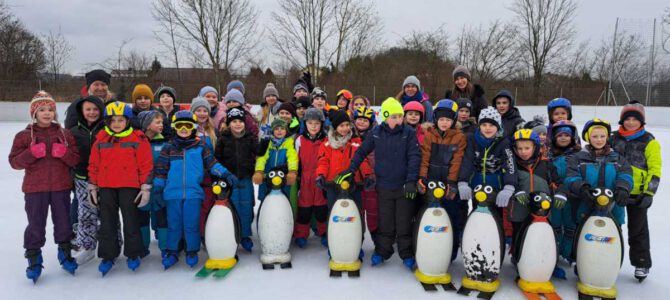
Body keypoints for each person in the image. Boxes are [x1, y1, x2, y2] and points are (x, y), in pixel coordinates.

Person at [340, 98, 421, 269]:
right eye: (394, 116)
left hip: (403, 187)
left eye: (400, 116)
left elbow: (414, 157)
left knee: (404, 222)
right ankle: (382, 251)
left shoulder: (408, 133)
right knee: (385, 223)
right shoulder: (376, 133)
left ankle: (406, 253)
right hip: (383, 186)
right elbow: (362, 152)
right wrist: (350, 170)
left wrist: (411, 181)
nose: (398, 119)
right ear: (385, 116)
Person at [9, 91, 80, 281]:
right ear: (34, 113)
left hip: (61, 187)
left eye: (50, 109)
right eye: (42, 109)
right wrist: (30, 154)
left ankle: (65, 253)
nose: (47, 113)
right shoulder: (23, 136)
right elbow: (14, 162)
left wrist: (64, 153)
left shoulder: (64, 134)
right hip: (34, 189)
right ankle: (34, 257)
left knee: (64, 222)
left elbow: (75, 159)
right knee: (35, 224)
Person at [153, 110, 235, 269]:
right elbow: (161, 170)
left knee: (191, 224)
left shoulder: (201, 146)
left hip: (193, 193)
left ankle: (191, 251)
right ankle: (172, 251)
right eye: (179, 125)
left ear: (194, 127)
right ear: (175, 127)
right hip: (172, 194)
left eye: (188, 125)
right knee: (174, 224)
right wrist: (157, 189)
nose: (184, 129)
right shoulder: (168, 147)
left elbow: (212, 165)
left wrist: (226, 174)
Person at [88, 101, 153, 275]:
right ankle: (108, 255)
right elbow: (93, 164)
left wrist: (145, 187)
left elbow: (146, 165)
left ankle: (133, 253)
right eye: (113, 120)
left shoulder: (138, 138)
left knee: (131, 220)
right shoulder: (100, 139)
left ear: (128, 121)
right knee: (107, 223)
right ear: (107, 121)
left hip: (129, 186)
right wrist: (92, 187)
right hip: (106, 186)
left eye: (120, 120)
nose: (116, 124)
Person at [564, 119, 633, 261]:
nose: (599, 140)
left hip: (612, 207)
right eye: (595, 136)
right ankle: (583, 263)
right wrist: (581, 188)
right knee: (586, 235)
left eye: (602, 136)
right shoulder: (577, 158)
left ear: (607, 137)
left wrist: (623, 188)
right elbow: (571, 177)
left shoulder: (618, 159)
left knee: (609, 237)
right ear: (588, 137)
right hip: (585, 204)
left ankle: (609, 263)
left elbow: (626, 174)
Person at [610, 101, 661, 281]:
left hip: (637, 194)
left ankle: (641, 262)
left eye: (635, 119)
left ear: (642, 121)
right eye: (627, 119)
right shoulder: (613, 138)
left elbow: (655, 170)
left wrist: (649, 193)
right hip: (614, 189)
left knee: (638, 230)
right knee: (611, 226)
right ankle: (608, 260)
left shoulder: (649, 140)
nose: (631, 122)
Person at [457, 107, 517, 242]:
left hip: (496, 187)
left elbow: (510, 164)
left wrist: (509, 186)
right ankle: (474, 236)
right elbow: (467, 161)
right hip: (477, 185)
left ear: (498, 126)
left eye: (491, 125)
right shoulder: (473, 140)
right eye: (484, 124)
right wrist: (463, 182)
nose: (487, 128)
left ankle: (496, 238)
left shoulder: (504, 142)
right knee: (477, 210)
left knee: (496, 214)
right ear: (479, 125)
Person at [418, 99, 467, 261]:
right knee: (428, 214)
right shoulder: (430, 135)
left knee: (452, 217)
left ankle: (451, 251)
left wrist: (452, 183)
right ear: (436, 119)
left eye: (448, 120)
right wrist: (423, 177)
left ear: (453, 120)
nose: (444, 123)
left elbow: (457, 161)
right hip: (431, 181)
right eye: (441, 119)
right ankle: (425, 249)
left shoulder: (459, 137)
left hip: (448, 184)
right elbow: (425, 157)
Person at [317, 110, 373, 247]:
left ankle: (357, 243)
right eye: (341, 125)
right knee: (335, 214)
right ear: (335, 127)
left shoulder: (355, 142)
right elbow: (323, 161)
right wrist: (321, 175)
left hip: (354, 185)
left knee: (356, 214)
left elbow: (362, 161)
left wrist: (366, 175)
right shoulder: (326, 144)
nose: (345, 128)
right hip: (333, 185)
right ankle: (334, 243)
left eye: (347, 125)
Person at [508, 129, 560, 261]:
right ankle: (518, 258)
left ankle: (543, 260)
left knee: (541, 235)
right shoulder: (512, 165)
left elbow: (557, 182)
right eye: (519, 148)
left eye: (527, 148)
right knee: (519, 234)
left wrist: (561, 193)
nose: (523, 152)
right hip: (520, 209)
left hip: (542, 209)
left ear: (535, 147)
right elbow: (507, 181)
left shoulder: (546, 164)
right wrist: (516, 191)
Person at [215, 108, 258, 253]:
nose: (238, 124)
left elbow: (259, 152)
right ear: (229, 123)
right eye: (234, 121)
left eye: (240, 121)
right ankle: (233, 235)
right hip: (230, 180)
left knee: (246, 207)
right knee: (232, 207)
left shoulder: (250, 138)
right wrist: (221, 176)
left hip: (245, 178)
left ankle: (245, 235)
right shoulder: (223, 139)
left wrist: (264, 141)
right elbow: (217, 159)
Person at [69, 95, 107, 264]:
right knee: (85, 214)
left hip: (105, 180)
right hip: (82, 179)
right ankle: (87, 246)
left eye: (95, 109)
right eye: (88, 109)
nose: (92, 112)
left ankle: (111, 245)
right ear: (81, 111)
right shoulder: (73, 132)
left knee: (107, 214)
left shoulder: (107, 130)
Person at [546, 120, 581, 277]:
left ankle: (569, 252)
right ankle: (555, 251)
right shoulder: (548, 154)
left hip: (572, 196)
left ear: (573, 137)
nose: (563, 138)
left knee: (570, 225)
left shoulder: (578, 154)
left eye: (567, 135)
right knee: (555, 223)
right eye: (560, 135)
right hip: (553, 195)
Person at [293, 108, 328, 248]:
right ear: (305, 124)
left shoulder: (326, 140)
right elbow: (295, 160)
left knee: (321, 208)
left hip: (321, 179)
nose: (313, 126)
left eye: (317, 123)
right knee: (304, 209)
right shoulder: (299, 140)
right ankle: (301, 234)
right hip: (305, 180)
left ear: (321, 124)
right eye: (310, 123)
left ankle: (324, 233)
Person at [136, 110, 168, 258]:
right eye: (157, 122)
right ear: (147, 125)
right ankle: (142, 246)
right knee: (142, 217)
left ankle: (165, 247)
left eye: (162, 122)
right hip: (142, 188)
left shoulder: (164, 143)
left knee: (162, 217)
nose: (161, 125)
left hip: (160, 188)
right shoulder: (138, 142)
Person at [253, 119, 299, 201]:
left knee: (283, 198)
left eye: (282, 129)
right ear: (272, 131)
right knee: (265, 198)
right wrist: (259, 171)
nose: (279, 131)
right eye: (276, 129)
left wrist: (292, 171)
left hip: (283, 178)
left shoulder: (289, 143)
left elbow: (292, 158)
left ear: (286, 130)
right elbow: (262, 158)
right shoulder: (267, 142)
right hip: (267, 177)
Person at [352, 106, 379, 238]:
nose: (361, 122)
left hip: (371, 181)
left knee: (373, 211)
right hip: (355, 182)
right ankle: (358, 238)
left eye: (365, 120)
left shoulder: (376, 138)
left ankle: (376, 238)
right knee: (358, 211)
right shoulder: (350, 136)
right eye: (359, 119)